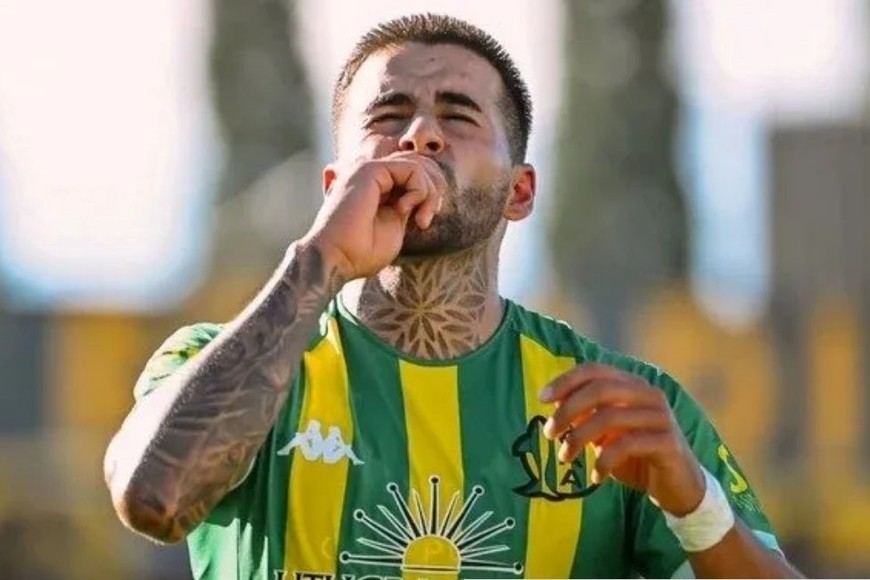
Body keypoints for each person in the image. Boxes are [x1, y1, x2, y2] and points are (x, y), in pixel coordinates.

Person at [104, 13, 803, 580]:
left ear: (520, 192)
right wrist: (321, 259)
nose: (420, 135)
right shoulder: (225, 364)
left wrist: (695, 505)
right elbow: (153, 499)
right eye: (389, 114)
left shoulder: (625, 413)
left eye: (459, 115)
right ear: (335, 186)